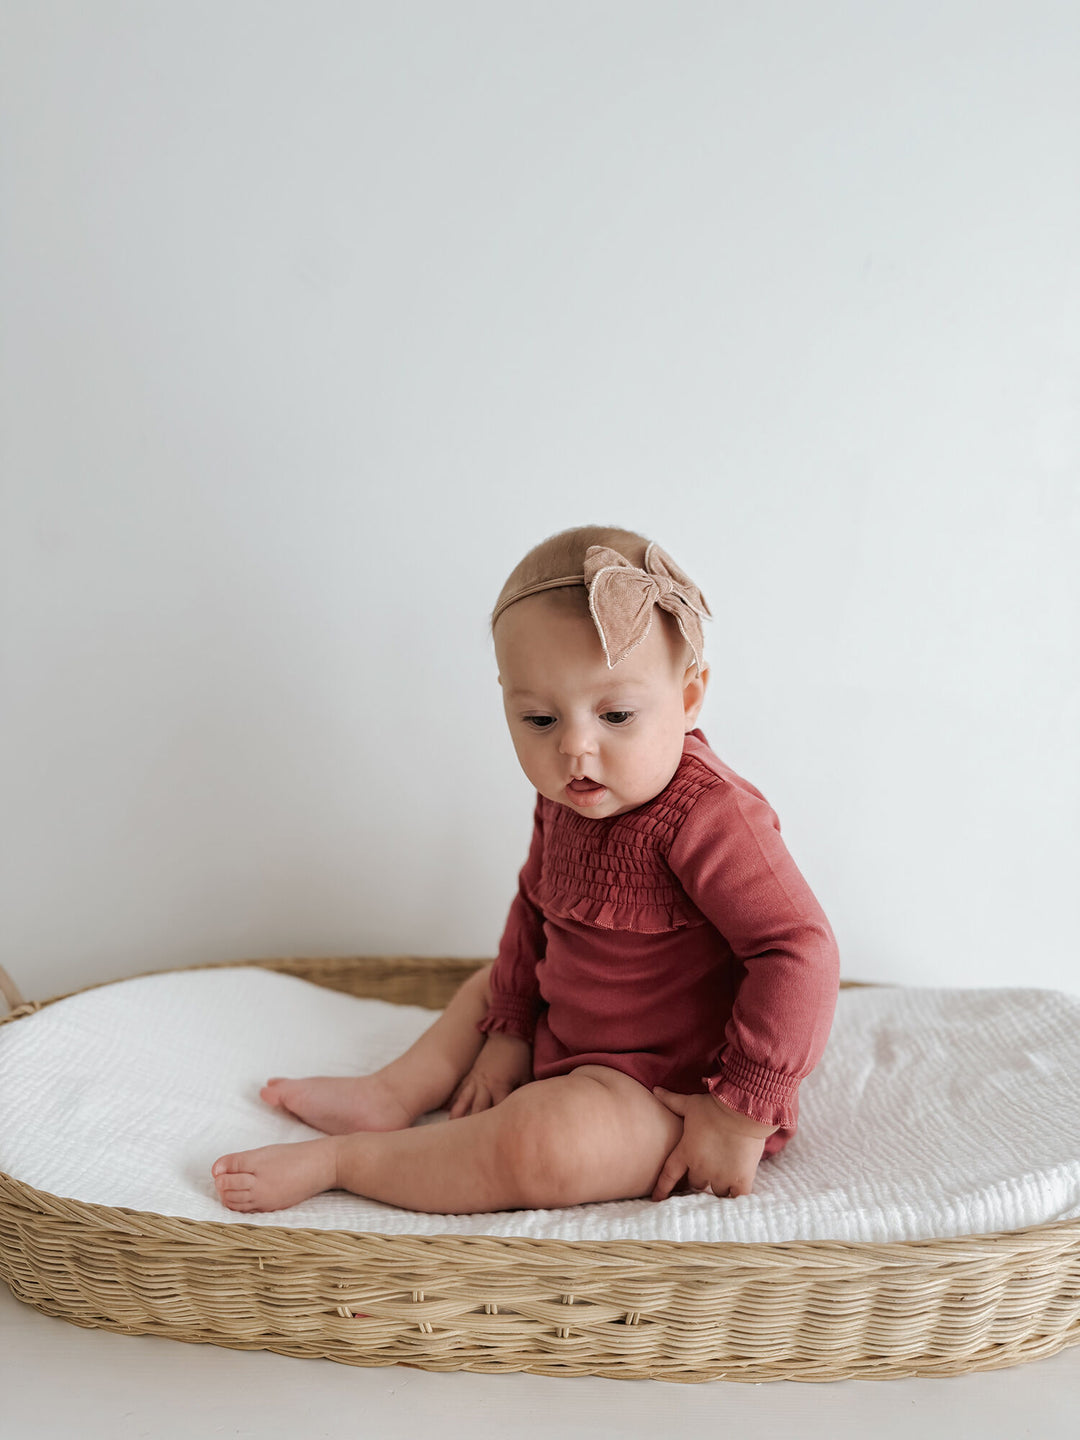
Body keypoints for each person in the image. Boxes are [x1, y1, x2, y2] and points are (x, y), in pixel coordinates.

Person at [211, 525, 840, 1215]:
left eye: (617, 714)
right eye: (539, 718)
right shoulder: (571, 797)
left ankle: (347, 1162)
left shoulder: (712, 817)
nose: (575, 747)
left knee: (543, 1146)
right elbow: (535, 908)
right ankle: (391, 1093)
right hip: (565, 1031)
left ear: (689, 700)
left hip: (668, 1093)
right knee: (491, 983)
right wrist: (511, 1031)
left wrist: (739, 1112)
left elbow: (799, 951)